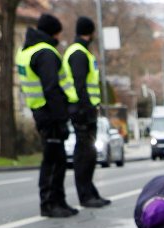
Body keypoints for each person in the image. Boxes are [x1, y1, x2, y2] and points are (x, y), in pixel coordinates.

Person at [17, 13, 76, 218]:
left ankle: (58, 201)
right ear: (53, 33)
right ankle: (50, 203)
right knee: (53, 160)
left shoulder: (26, 50)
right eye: (58, 34)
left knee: (57, 158)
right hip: (50, 113)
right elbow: (51, 88)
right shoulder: (46, 53)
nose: (59, 38)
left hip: (40, 111)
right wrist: (61, 118)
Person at [64, 17, 110, 209]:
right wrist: (87, 108)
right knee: (85, 154)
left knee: (88, 154)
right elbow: (80, 84)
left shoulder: (81, 52)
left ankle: (90, 192)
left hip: (84, 109)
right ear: (90, 33)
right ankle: (86, 195)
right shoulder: (78, 54)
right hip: (82, 110)